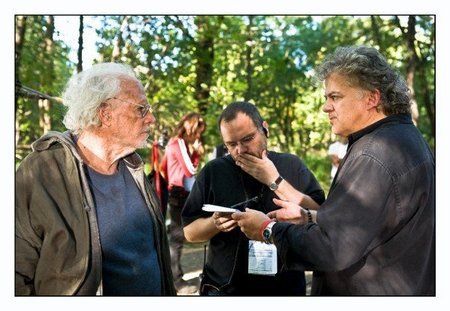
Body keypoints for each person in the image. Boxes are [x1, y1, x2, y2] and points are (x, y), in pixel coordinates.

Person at [232, 46, 435, 295]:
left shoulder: (376, 153)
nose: (326, 107)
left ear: (372, 98)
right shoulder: (402, 137)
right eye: (326, 97)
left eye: (335, 97)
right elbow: (370, 224)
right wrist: (311, 218)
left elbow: (332, 248)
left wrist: (267, 230)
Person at [15, 63, 176, 296]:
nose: (151, 118)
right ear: (105, 114)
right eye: (142, 109)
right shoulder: (43, 170)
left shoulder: (134, 167)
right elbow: (14, 271)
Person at [181, 102, 325, 296]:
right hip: (224, 290)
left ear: (265, 129)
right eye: (231, 144)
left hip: (285, 290)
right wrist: (215, 223)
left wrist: (274, 180)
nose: (240, 150)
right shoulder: (214, 171)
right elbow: (190, 233)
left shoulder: (291, 164)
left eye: (248, 139)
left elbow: (319, 213)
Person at [161, 112, 206, 294]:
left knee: (177, 236)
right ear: (190, 128)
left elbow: (165, 167)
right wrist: (196, 152)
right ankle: (176, 281)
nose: (198, 137)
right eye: (197, 132)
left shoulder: (175, 143)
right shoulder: (178, 143)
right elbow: (190, 169)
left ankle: (175, 278)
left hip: (178, 193)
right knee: (177, 237)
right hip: (179, 194)